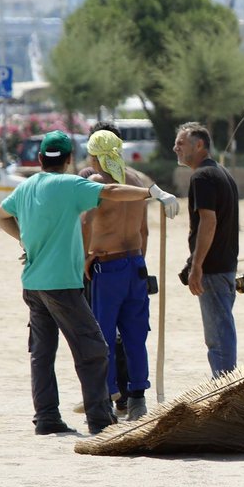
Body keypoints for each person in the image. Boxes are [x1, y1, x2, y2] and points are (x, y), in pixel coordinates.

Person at [0, 130, 179, 435]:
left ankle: (46, 418)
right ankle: (100, 418)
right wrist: (151, 193)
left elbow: (2, 217)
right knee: (94, 349)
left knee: (42, 352)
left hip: (33, 283)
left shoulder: (26, 187)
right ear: (69, 160)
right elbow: (111, 191)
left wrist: (27, 242)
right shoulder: (71, 184)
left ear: (41, 159)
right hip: (62, 284)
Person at [81, 128, 152, 421]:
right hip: (134, 263)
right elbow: (144, 231)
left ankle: (108, 398)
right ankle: (138, 398)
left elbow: (86, 223)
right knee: (135, 336)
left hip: (106, 266)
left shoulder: (97, 183)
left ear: (96, 157)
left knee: (104, 336)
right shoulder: (136, 182)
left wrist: (84, 259)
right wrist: (137, 260)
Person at [173, 122, 240, 378]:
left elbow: (208, 221)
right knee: (222, 329)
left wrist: (197, 265)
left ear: (198, 145)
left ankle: (224, 387)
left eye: (181, 143)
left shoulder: (202, 176)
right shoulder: (223, 173)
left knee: (218, 336)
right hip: (226, 267)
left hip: (213, 269)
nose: (175, 148)